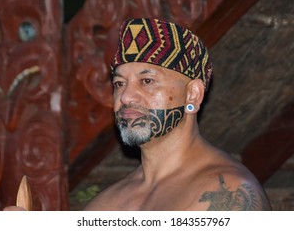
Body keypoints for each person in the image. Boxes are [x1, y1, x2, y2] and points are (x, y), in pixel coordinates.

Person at [84, 17, 271, 211]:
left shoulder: (228, 192)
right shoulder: (103, 206)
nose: (126, 97)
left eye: (147, 81)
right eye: (119, 84)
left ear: (193, 94)